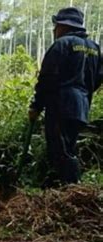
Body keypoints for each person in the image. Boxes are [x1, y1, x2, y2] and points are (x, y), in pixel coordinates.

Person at [29, 7, 102, 186]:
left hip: (61, 105)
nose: (54, 31)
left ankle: (73, 190)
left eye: (55, 26)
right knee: (68, 147)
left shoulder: (62, 44)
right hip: (82, 106)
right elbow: (98, 79)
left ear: (62, 26)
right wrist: (83, 94)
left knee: (61, 150)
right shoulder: (95, 48)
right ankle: (60, 185)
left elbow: (47, 77)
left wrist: (36, 105)